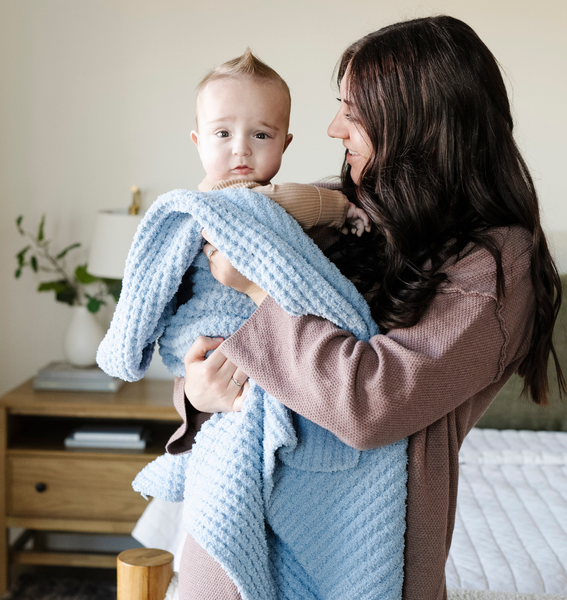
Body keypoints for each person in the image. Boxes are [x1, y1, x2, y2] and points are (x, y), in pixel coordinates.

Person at [167, 15, 566, 600]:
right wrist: (195, 395)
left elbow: (372, 405)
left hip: (358, 556)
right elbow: (216, 331)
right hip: (235, 529)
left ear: (417, 122)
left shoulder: (495, 267)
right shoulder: (339, 211)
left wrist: (260, 289)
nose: (332, 128)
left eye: (352, 112)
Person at [190, 48, 370, 245]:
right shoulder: (226, 197)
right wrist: (341, 208)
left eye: (260, 135)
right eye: (223, 133)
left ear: (284, 146)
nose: (241, 149)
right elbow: (284, 200)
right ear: (199, 144)